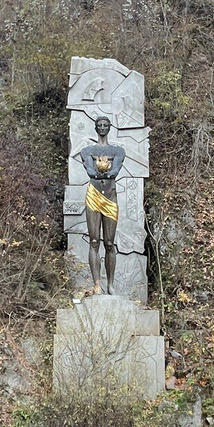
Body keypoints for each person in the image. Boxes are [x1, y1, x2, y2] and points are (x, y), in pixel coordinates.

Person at [79, 116, 125, 295]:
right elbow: (90, 171)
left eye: (106, 125)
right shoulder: (87, 150)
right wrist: (102, 172)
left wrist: (102, 171)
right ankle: (97, 283)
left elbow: (115, 171)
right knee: (93, 240)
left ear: (110, 127)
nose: (103, 128)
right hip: (94, 195)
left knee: (109, 242)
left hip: (110, 197)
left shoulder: (118, 151)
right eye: (100, 125)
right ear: (95, 127)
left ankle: (110, 284)